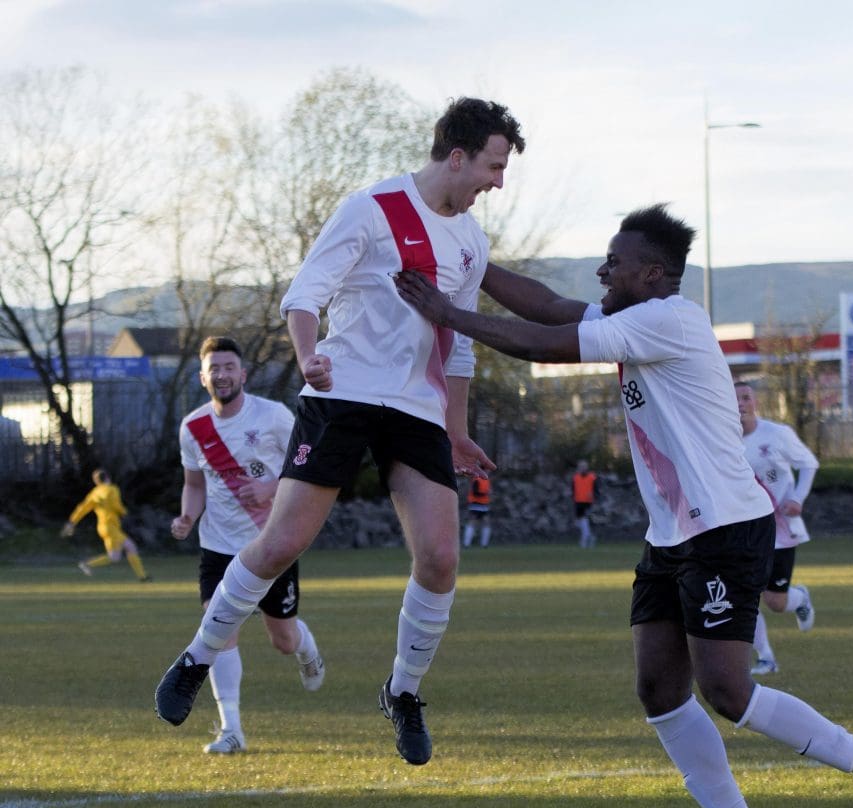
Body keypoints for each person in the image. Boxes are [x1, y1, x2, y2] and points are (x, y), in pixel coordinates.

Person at [394, 203, 853, 808]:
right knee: (658, 688)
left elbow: (541, 342)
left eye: (614, 261)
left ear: (652, 272)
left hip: (724, 527)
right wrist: (472, 259)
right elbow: (550, 304)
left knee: (727, 690)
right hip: (673, 534)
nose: (602, 269)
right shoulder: (632, 317)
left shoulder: (669, 319)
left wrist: (447, 310)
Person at [155, 97, 526, 768]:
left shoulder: (471, 241)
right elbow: (304, 294)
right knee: (279, 544)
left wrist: (458, 429)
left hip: (416, 409)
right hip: (343, 395)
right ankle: (196, 655)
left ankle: (403, 693)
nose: (497, 183)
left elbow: (459, 345)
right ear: (457, 156)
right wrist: (306, 358)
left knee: (441, 559)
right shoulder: (372, 208)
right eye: (494, 167)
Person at [170, 336, 326, 754]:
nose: (221, 374)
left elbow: (308, 463)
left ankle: (306, 646)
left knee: (283, 641)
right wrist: (188, 515)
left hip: (272, 543)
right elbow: (193, 485)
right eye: (213, 369)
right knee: (219, 635)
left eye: (228, 367)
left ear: (242, 373)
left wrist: (271, 486)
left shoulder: (274, 416)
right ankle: (231, 730)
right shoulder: (193, 427)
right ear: (203, 377)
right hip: (218, 549)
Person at [734, 381, 819, 676]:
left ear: (755, 401)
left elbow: (809, 463)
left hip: (780, 529)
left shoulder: (777, 434)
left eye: (745, 397)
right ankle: (766, 657)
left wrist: (797, 498)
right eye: (734, 399)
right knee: (746, 593)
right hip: (743, 530)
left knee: (775, 601)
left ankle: (799, 599)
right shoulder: (721, 441)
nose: (740, 404)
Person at [61, 468, 151, 582]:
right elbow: (115, 504)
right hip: (111, 527)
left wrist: (72, 522)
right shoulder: (112, 489)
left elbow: (83, 508)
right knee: (115, 557)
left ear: (96, 482)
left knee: (130, 547)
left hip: (103, 527)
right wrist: (124, 512)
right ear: (108, 477)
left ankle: (143, 577)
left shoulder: (95, 493)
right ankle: (87, 564)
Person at [571, 459, 599, 547]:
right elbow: (572, 489)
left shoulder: (592, 477)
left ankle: (584, 539)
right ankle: (590, 537)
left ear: (587, 467)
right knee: (580, 522)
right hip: (578, 502)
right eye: (581, 466)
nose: (583, 468)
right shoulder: (575, 478)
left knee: (585, 520)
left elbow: (597, 490)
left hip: (588, 503)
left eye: (584, 466)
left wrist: (593, 496)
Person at [463, 475, 492, 548]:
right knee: (472, 522)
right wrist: (486, 493)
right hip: (476, 504)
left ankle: (484, 544)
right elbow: (475, 492)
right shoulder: (477, 479)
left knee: (486, 522)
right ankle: (466, 544)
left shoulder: (486, 480)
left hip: (484, 505)